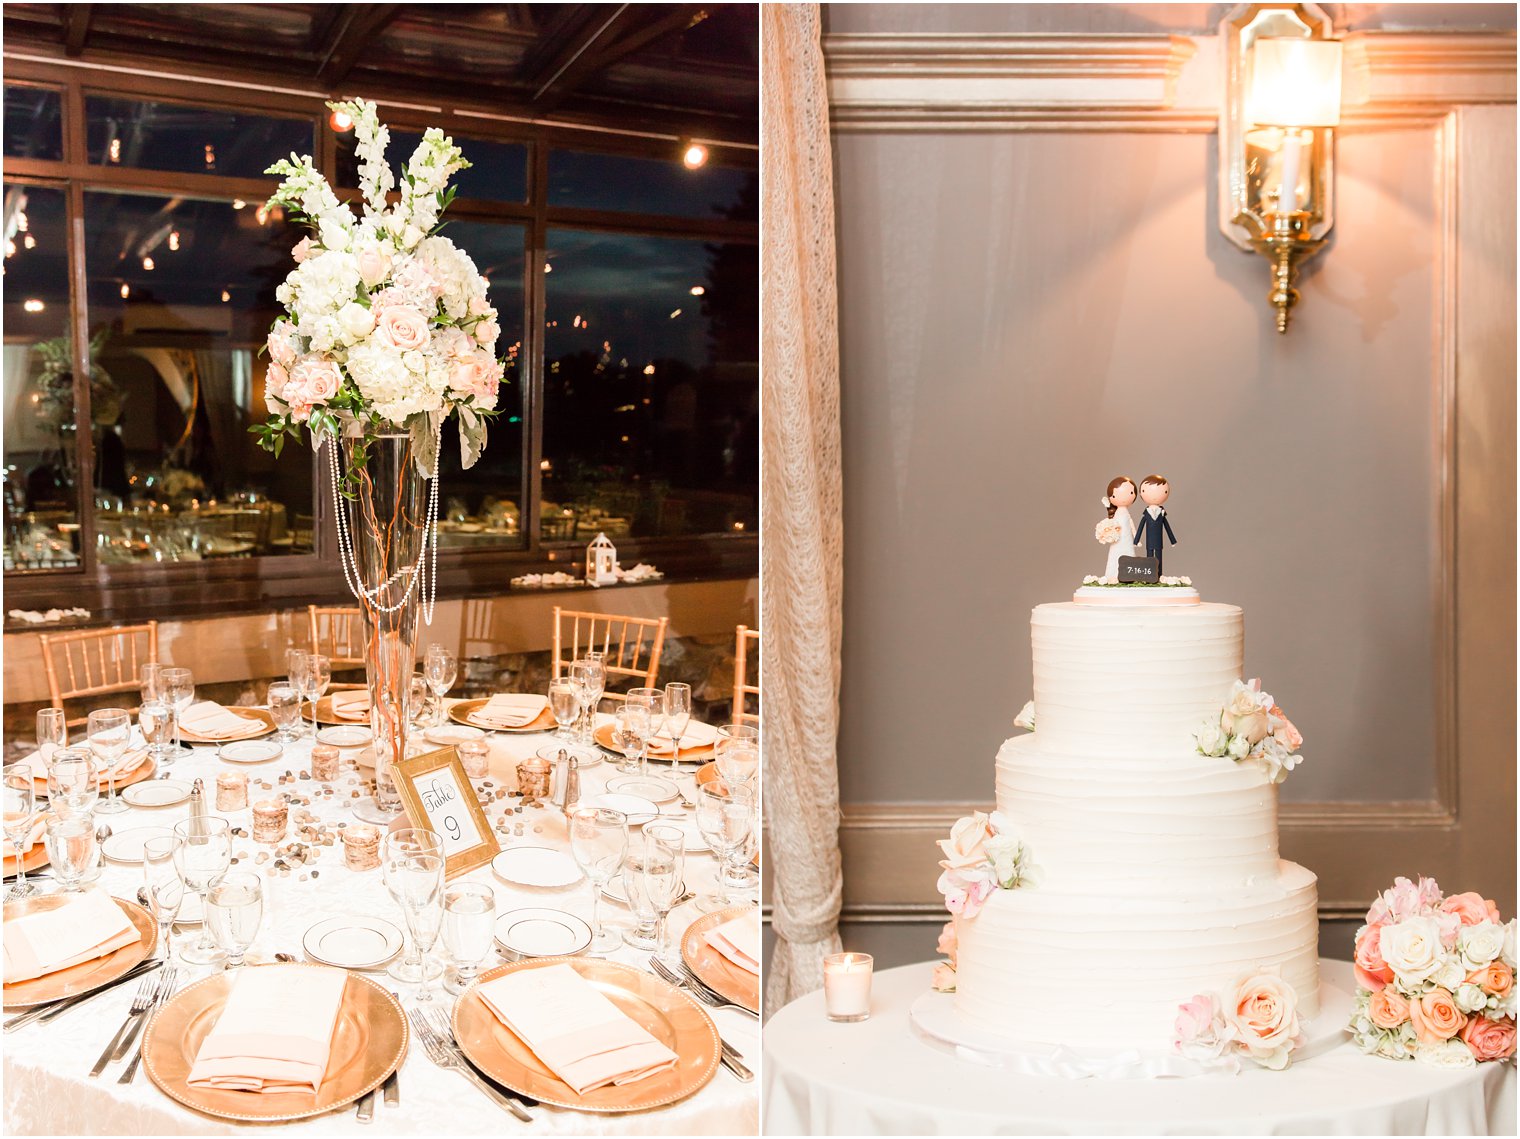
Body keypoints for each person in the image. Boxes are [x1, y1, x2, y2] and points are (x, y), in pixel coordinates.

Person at [1133, 473, 1177, 573]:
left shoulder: (1162, 513)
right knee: (1149, 558)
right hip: (1149, 542)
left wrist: (1172, 540)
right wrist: (1136, 540)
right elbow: (1140, 528)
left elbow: (1167, 528)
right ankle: (1150, 575)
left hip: (1158, 542)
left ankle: (1159, 575)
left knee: (1158, 558)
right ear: (1141, 493)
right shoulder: (1146, 514)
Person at [1100, 475, 1138, 580]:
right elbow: (1111, 525)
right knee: (1115, 555)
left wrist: (1136, 538)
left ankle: (1130, 575)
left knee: (1128, 554)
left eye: (1131, 493)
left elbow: (1131, 525)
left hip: (1128, 540)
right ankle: (1112, 575)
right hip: (1117, 540)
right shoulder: (1116, 514)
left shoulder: (1126, 514)